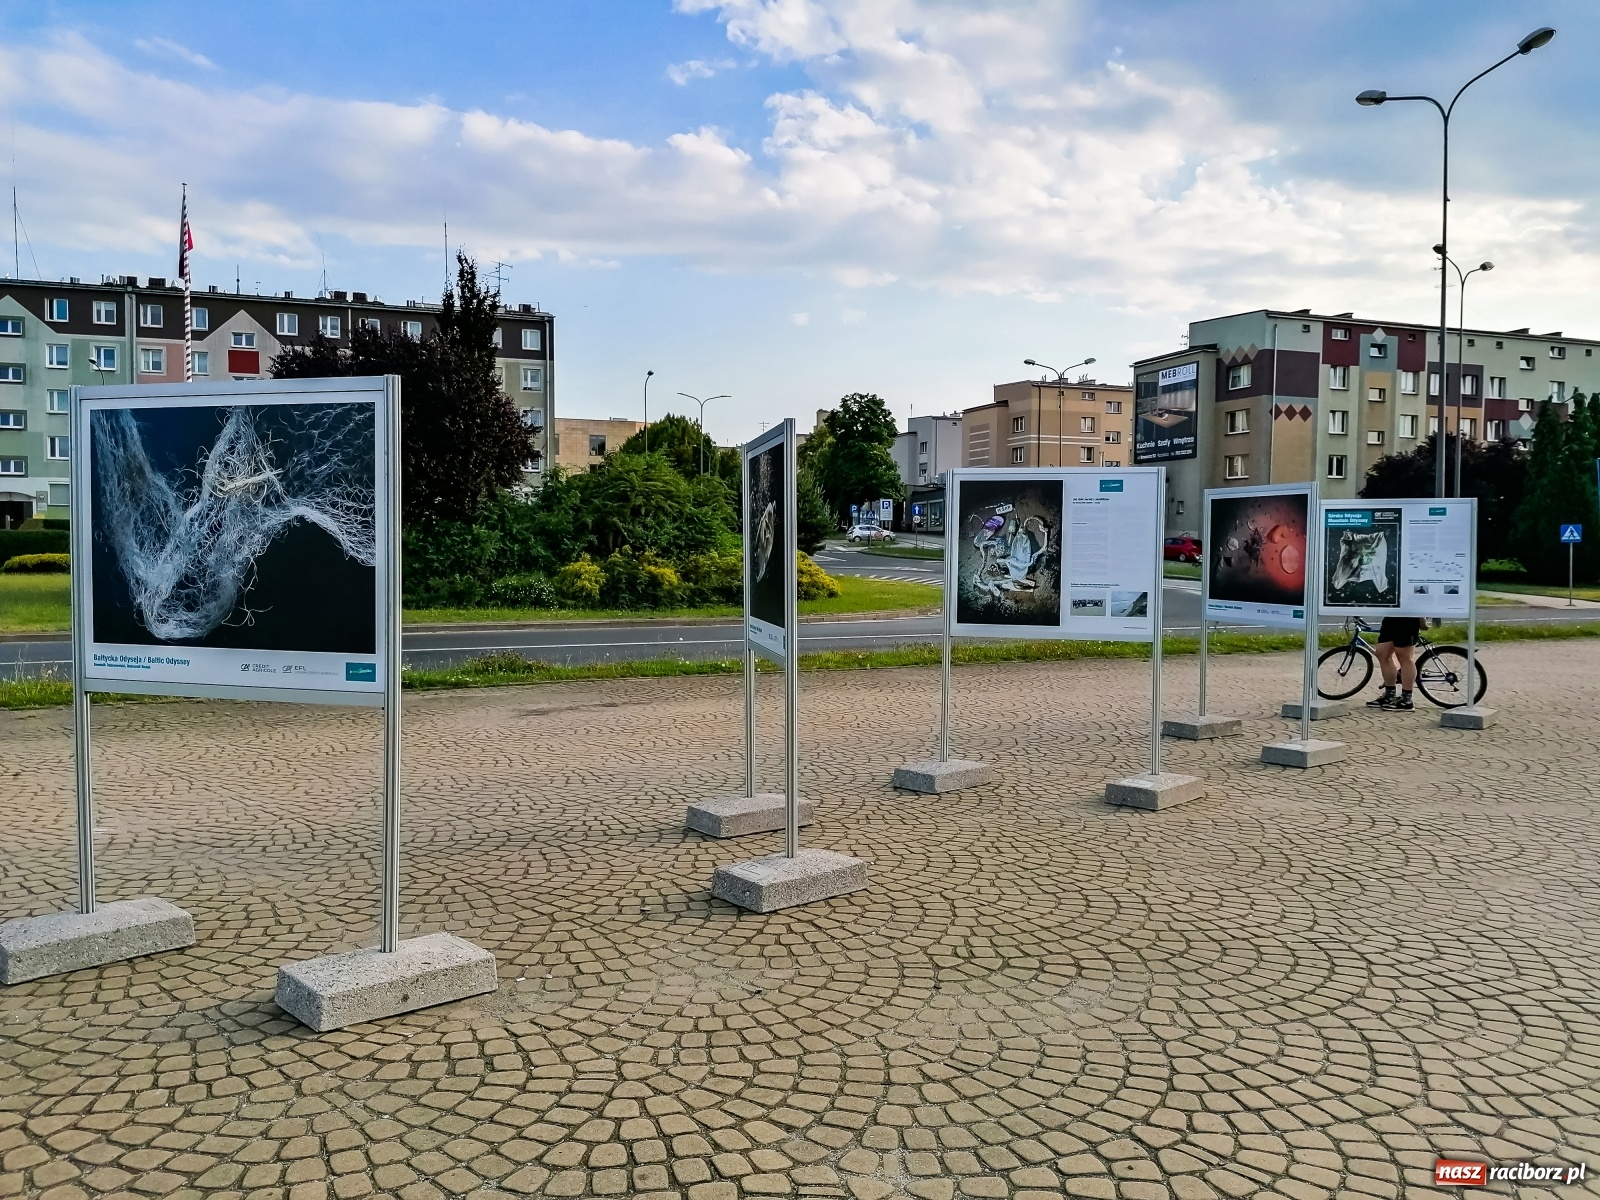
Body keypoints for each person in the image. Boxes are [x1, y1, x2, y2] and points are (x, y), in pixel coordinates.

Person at [1367, 617, 1424, 710]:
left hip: (1407, 617)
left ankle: (1407, 700)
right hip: (1391, 616)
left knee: (1404, 656)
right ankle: (1389, 695)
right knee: (1382, 653)